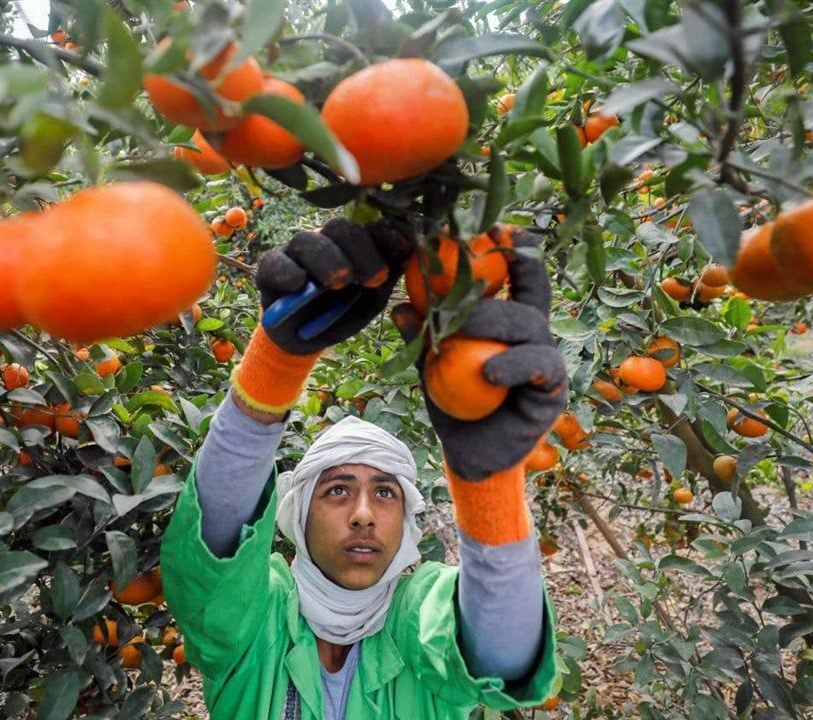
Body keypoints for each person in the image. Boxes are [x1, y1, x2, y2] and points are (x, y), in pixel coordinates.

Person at [159, 217, 567, 718]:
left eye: (385, 492)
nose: (363, 515)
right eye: (336, 490)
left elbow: (499, 656)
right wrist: (276, 364)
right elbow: (211, 557)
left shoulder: (416, 618)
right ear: (298, 515)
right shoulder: (257, 621)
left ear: (407, 520)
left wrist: (490, 483)